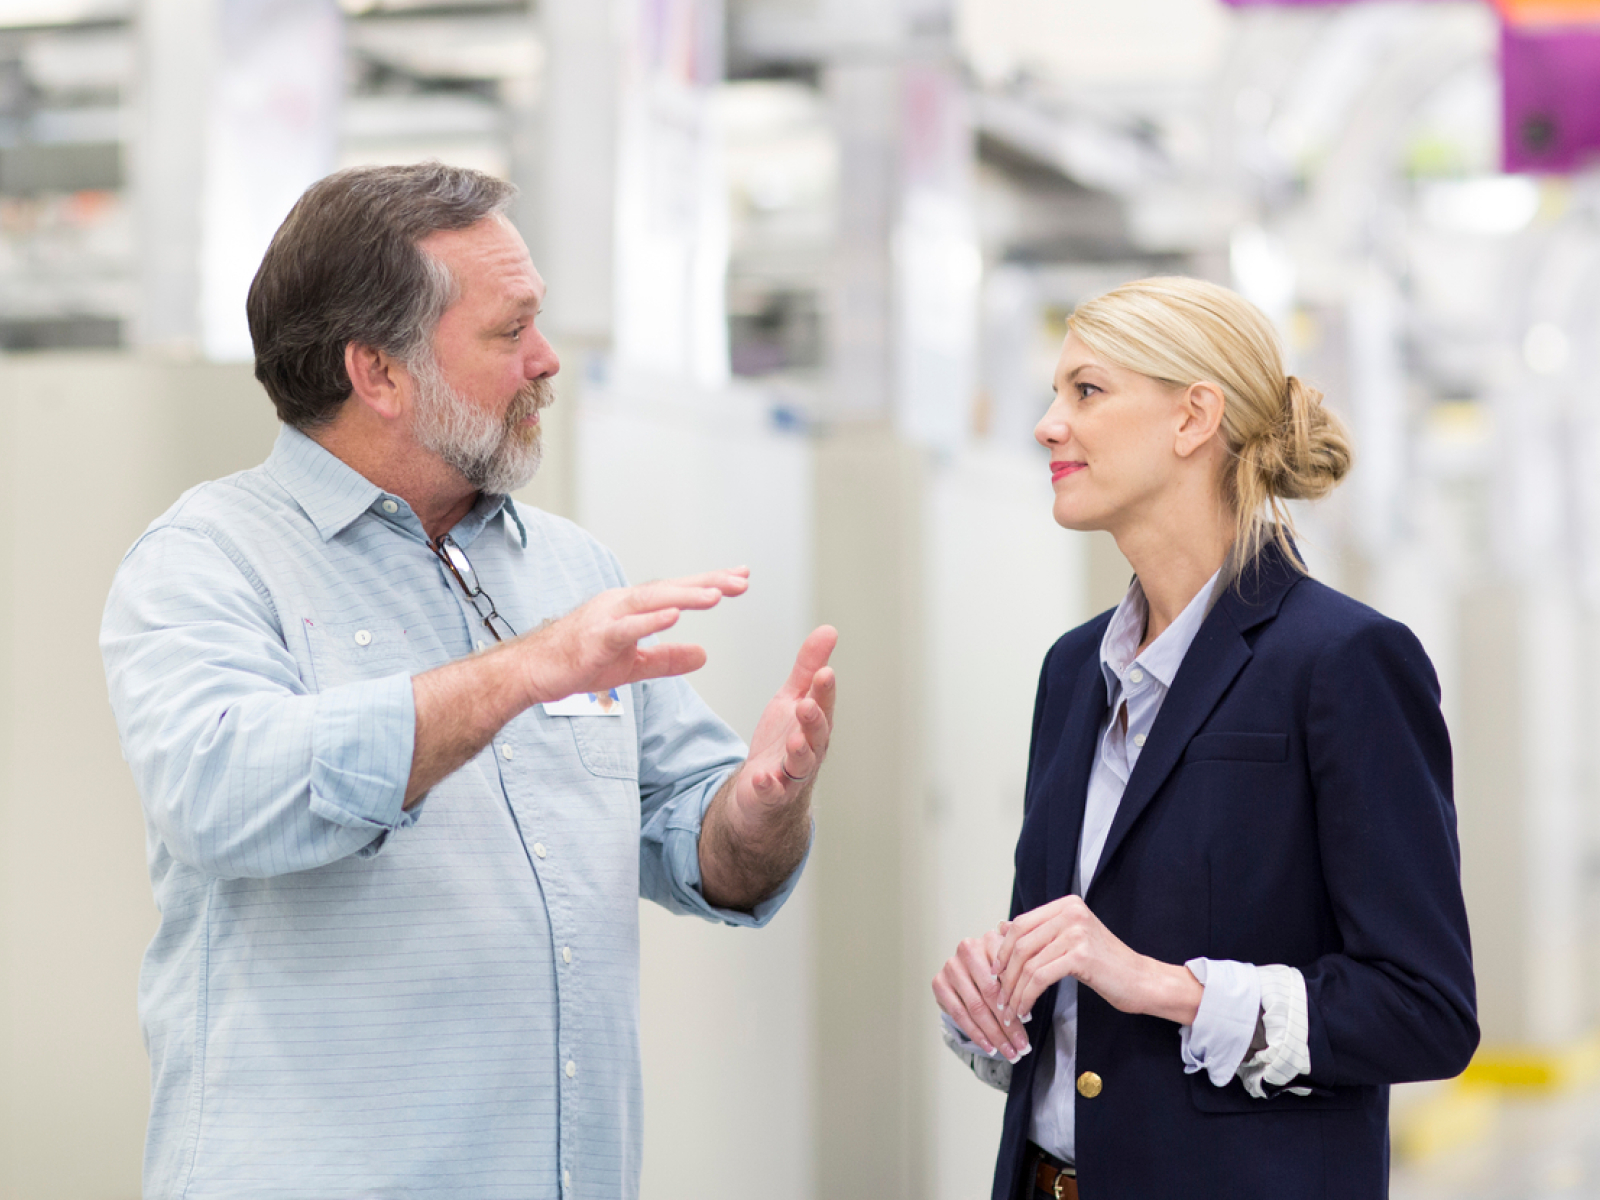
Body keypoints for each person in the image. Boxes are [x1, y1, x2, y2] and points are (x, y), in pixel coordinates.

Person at [100, 163, 836, 1200]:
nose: (547, 363)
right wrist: (520, 674)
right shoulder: (208, 559)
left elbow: (700, 847)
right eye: (510, 332)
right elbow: (221, 795)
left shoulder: (570, 569)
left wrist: (763, 806)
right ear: (380, 374)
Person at [931, 276, 1476, 1199]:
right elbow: (1078, 994)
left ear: (1193, 419)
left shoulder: (1342, 661)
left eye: (1086, 391)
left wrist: (1164, 986)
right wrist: (995, 998)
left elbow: (1424, 1011)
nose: (1047, 425)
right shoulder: (1074, 671)